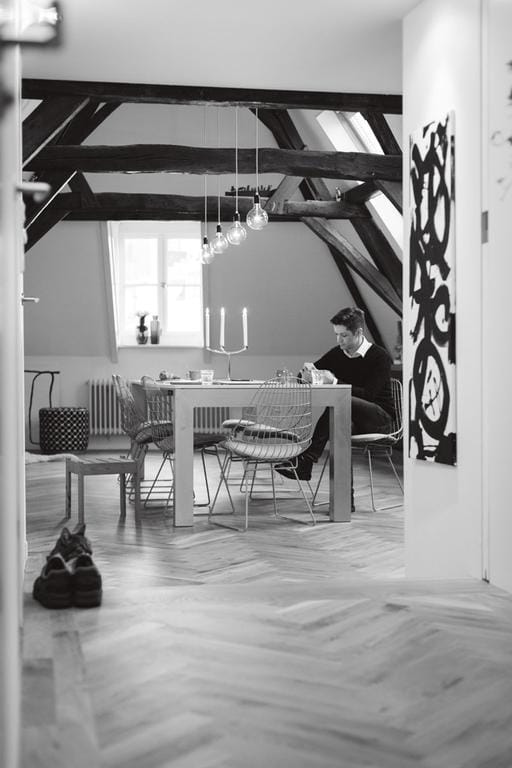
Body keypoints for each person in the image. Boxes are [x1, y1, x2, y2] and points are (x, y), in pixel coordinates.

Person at [275, 307, 394, 494]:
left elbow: (369, 395)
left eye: (344, 335)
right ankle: (345, 501)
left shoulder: (380, 356)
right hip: (350, 417)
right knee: (338, 422)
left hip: (380, 419)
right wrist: (305, 372)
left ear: (359, 332)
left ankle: (307, 460)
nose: (339, 340)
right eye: (337, 335)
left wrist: (335, 382)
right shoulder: (337, 353)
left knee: (338, 401)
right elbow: (305, 374)